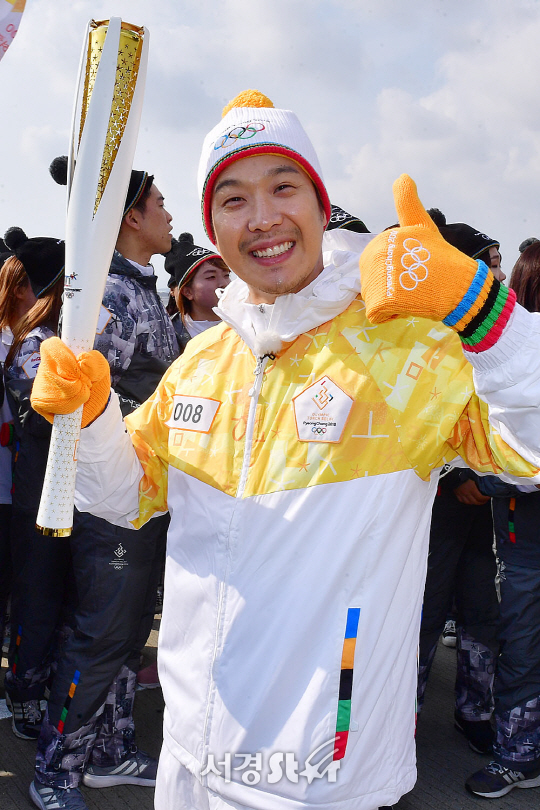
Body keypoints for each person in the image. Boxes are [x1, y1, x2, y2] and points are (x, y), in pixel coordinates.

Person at [31, 89, 540, 810]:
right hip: (191, 761)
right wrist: (90, 418)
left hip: (321, 772)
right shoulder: (205, 363)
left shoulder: (405, 355)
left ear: (319, 201)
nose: (263, 216)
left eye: (283, 187)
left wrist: (489, 317)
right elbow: (125, 495)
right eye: (233, 199)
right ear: (213, 227)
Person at [28, 162, 180, 810]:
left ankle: (111, 749)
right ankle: (54, 772)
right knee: (98, 635)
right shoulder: (110, 297)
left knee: (124, 634)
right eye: (161, 202)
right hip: (115, 499)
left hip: (149, 495)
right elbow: (89, 398)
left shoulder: (145, 288)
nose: (172, 214)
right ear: (131, 216)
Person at [416, 215, 503, 755]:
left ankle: (476, 710)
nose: (496, 271)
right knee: (423, 615)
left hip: (482, 502)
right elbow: (421, 417)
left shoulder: (489, 327)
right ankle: (403, 715)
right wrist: (460, 478)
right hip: (439, 503)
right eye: (486, 261)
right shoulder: (426, 329)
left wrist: (487, 477)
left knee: (481, 612)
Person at [465, 241, 540, 798]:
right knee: (523, 636)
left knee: (523, 636)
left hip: (523, 530)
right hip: (522, 528)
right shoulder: (504, 353)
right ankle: (519, 750)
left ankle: (518, 751)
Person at [1, 228, 69, 741]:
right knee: (36, 596)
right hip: (36, 494)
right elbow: (45, 419)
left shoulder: (55, 342)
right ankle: (23, 691)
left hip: (63, 491)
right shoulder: (36, 347)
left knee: (55, 594)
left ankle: (38, 685)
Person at [164, 232, 230, 351]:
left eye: (226, 275)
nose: (224, 284)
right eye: (211, 277)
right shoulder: (167, 334)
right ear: (187, 292)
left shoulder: (248, 324)